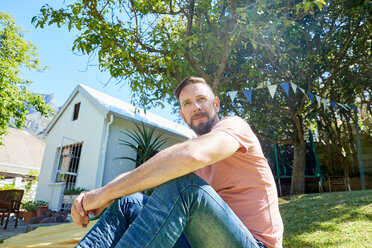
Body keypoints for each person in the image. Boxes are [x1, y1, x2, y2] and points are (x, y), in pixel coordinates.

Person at [72, 77, 283, 248]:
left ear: (216, 104)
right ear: (182, 115)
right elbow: (149, 171)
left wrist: (104, 195)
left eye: (201, 99)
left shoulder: (234, 126)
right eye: (188, 103)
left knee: (185, 186)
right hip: (199, 240)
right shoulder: (188, 149)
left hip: (254, 244)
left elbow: (193, 155)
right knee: (129, 201)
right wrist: (98, 196)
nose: (196, 107)